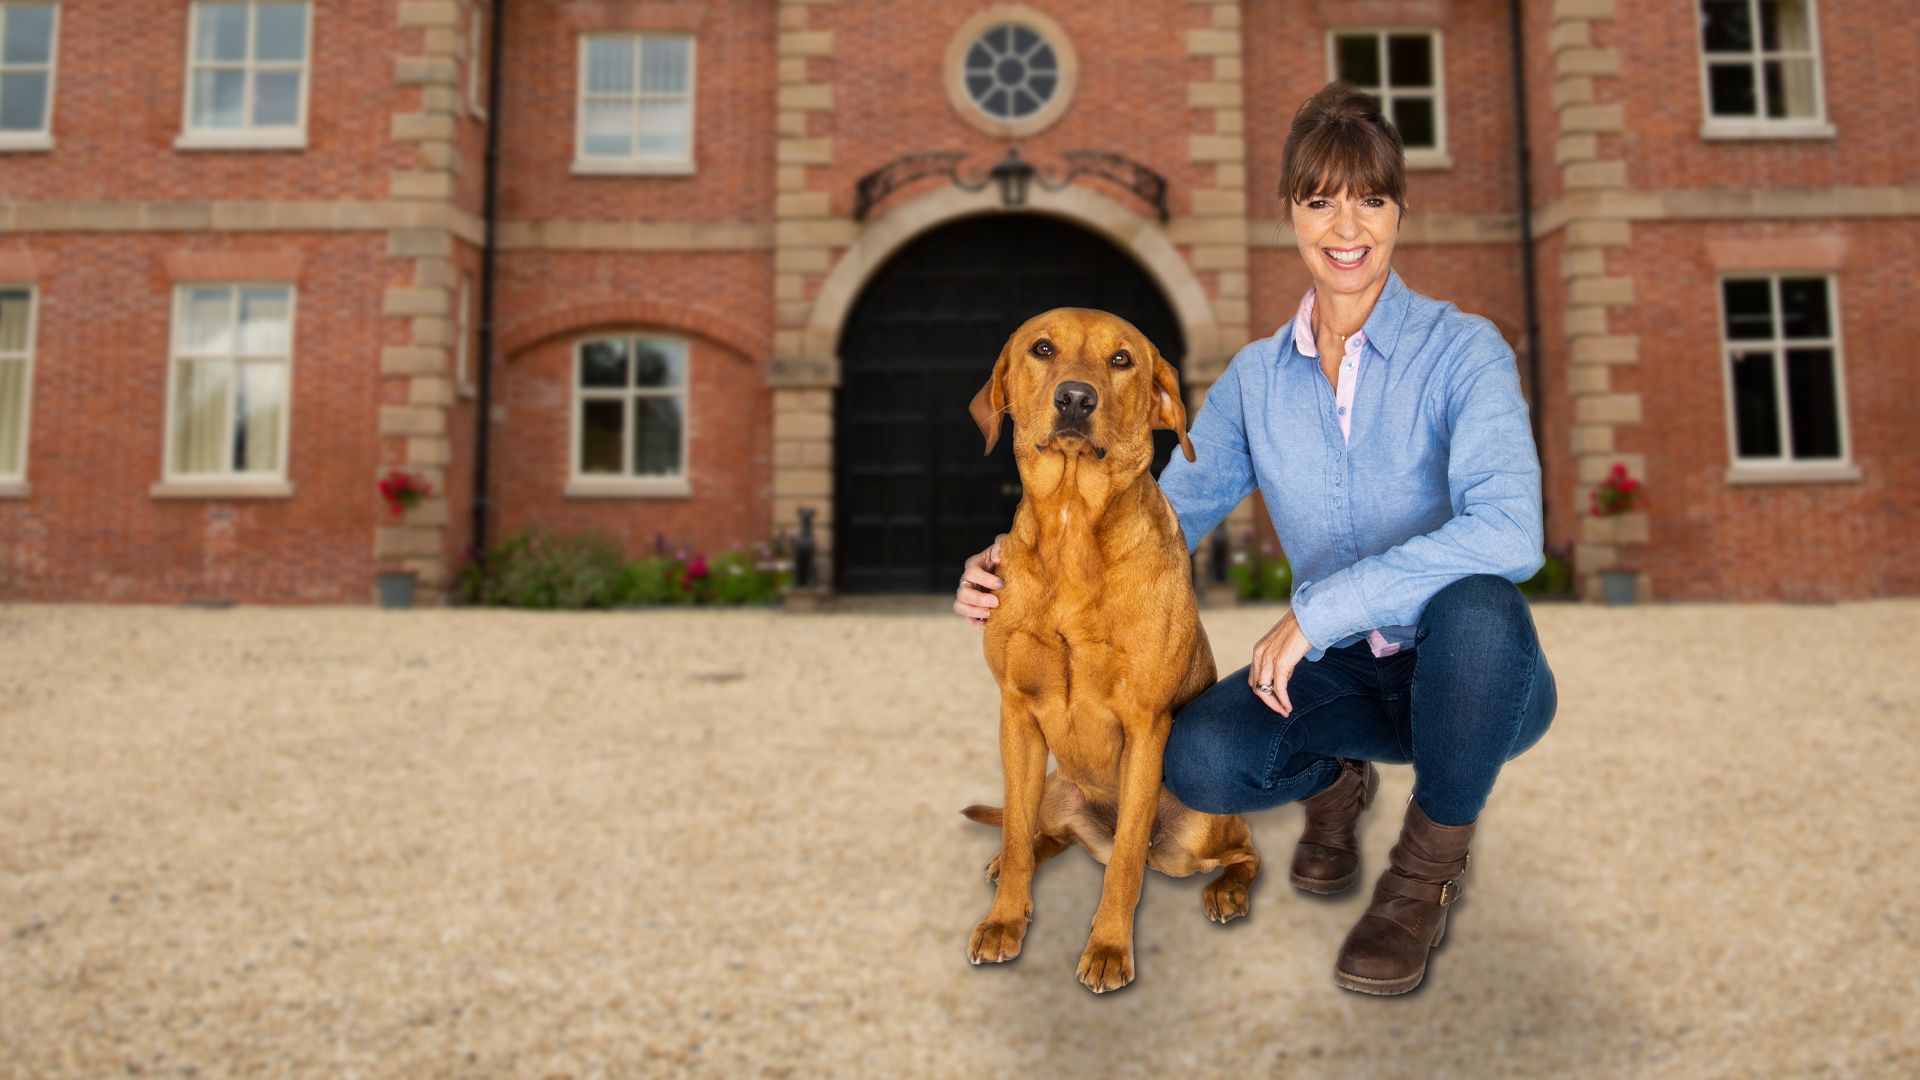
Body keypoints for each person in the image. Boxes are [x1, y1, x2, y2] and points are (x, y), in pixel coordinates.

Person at [951, 81, 1555, 996]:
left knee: (1477, 609)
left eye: (1370, 199)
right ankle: (1338, 784)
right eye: (1319, 200)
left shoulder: (1462, 353)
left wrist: (1321, 612)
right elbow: (1165, 510)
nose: (1345, 225)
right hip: (1346, 676)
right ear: (1291, 216)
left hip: (1476, 678)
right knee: (1199, 758)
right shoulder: (1257, 380)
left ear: (1398, 211)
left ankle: (1418, 884)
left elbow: (1510, 530)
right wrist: (1017, 561)